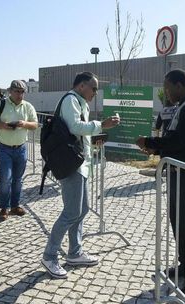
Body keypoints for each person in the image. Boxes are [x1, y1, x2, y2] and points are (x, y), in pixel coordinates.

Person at [136, 69, 185, 298]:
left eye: (168, 87)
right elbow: (172, 139)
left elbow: (180, 141)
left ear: (180, 85)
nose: (166, 91)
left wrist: (151, 142)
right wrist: (157, 147)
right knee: (179, 222)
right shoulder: (182, 105)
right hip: (180, 172)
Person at [41, 72, 120, 279]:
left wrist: (94, 138)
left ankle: (75, 253)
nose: (95, 92)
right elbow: (75, 127)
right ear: (82, 86)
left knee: (82, 210)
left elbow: (74, 133)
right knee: (71, 212)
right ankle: (49, 256)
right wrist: (102, 125)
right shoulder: (71, 100)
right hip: (71, 165)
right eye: (93, 88)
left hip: (78, 163)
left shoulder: (78, 102)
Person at [0, 80, 38, 221]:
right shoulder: (0, 104)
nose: (20, 95)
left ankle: (15, 205)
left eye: (22, 92)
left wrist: (24, 124)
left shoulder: (28, 107)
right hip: (4, 148)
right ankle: (4, 207)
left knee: (18, 179)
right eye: (17, 91)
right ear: (10, 91)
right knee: (5, 178)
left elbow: (35, 124)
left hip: (21, 148)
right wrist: (2, 125)